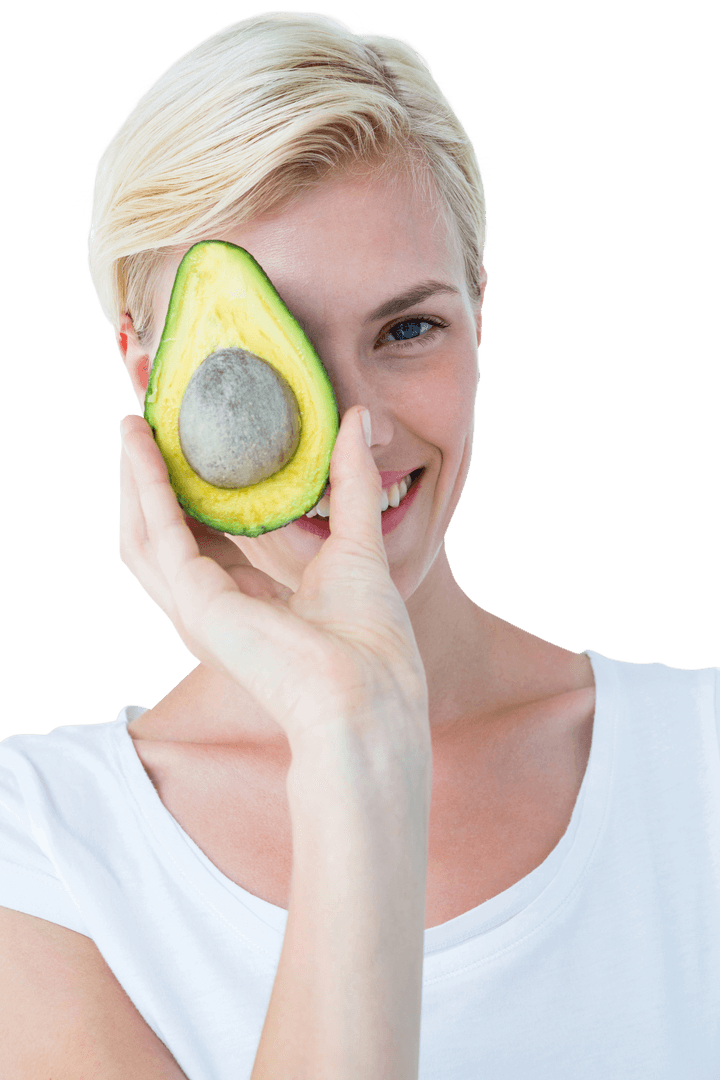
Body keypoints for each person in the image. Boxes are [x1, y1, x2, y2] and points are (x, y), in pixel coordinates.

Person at [0, 10, 718, 1079]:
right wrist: (351, 733)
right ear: (146, 373)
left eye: (409, 330)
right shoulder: (45, 846)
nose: (355, 438)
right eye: (263, 355)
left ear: (481, 314)